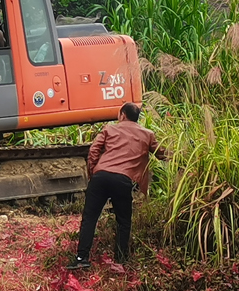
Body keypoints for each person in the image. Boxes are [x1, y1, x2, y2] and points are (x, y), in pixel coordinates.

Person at [67, 102, 166, 271]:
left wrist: (93, 172)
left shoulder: (109, 129)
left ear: (122, 115)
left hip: (100, 177)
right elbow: (163, 154)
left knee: (90, 218)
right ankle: (120, 260)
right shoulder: (148, 134)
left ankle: (81, 258)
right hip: (123, 180)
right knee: (123, 221)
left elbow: (93, 151)